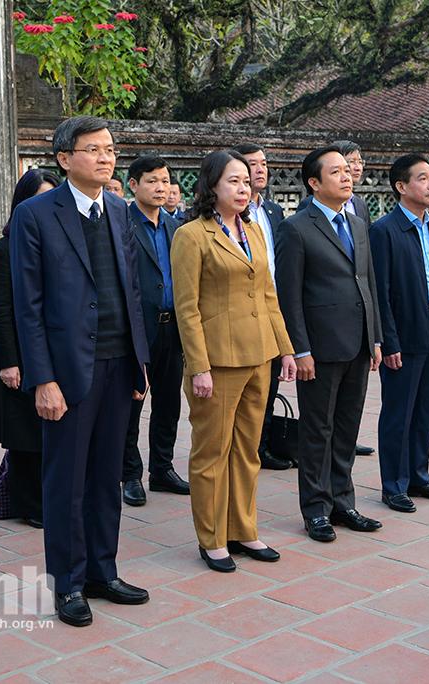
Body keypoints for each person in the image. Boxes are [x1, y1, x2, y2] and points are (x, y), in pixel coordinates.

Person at [10, 116, 151, 628]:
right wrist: (42, 379)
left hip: (117, 363)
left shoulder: (119, 210)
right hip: (67, 371)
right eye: (93, 150)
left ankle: (102, 571)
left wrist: (140, 364)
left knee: (106, 475)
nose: (106, 157)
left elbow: (131, 292)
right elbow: (29, 305)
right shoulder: (36, 215)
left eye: (110, 149)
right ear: (65, 158)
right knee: (65, 480)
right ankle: (67, 584)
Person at [171, 150, 296, 573]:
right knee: (212, 451)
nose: (243, 188)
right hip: (218, 362)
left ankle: (243, 528)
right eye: (234, 182)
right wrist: (199, 366)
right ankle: (211, 538)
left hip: (260, 355)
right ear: (211, 187)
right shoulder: (191, 235)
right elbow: (186, 308)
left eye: (247, 181)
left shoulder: (255, 231)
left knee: (247, 450)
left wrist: (285, 349)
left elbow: (268, 295)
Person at [275, 145, 383, 542]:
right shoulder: (296, 227)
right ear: (314, 183)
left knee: (347, 427)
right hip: (318, 347)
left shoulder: (356, 224)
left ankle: (343, 501)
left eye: (347, 170)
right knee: (317, 430)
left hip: (357, 341)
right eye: (336, 172)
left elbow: (367, 282)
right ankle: (316, 508)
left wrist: (375, 337)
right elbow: (290, 295)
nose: (347, 176)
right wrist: (300, 349)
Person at [370, 154, 429, 514]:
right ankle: (394, 484)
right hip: (404, 329)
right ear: (401, 186)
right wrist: (388, 341)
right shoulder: (384, 231)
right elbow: (381, 292)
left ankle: (419, 475)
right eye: (422, 178)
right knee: (399, 411)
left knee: (426, 408)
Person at [0, 169, 60, 528]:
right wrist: (9, 361)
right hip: (18, 350)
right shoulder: (3, 249)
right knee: (24, 434)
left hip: (55, 347)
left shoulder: (61, 241)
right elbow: (2, 307)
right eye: (36, 199)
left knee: (52, 428)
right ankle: (30, 504)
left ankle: (50, 495)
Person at [120, 156, 190, 507]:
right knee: (132, 403)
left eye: (165, 181)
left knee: (169, 403)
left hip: (172, 327)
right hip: (137, 329)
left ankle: (162, 469)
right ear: (133, 185)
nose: (161, 187)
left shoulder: (176, 227)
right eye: (152, 181)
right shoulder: (121, 224)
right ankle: (129, 474)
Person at [234, 143, 292, 472]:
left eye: (264, 164)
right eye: (252, 165)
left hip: (273, 304)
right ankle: (247, 445)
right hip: (244, 309)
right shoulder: (231, 214)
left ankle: (264, 443)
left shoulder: (272, 211)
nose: (260, 170)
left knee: (270, 383)